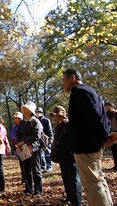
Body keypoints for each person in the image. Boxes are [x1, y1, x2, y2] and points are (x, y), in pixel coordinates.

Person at [62, 68, 113, 206]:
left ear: (72, 77)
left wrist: (105, 137)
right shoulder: (89, 91)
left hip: (85, 146)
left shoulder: (79, 93)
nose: (63, 84)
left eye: (64, 80)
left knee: (92, 183)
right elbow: (101, 116)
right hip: (91, 145)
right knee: (98, 179)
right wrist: (105, 136)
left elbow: (96, 117)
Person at [50, 105, 82, 206]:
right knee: (66, 177)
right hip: (62, 156)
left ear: (62, 116)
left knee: (74, 179)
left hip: (71, 156)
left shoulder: (69, 125)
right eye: (54, 116)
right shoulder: (57, 127)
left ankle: (76, 201)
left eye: (56, 116)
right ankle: (69, 196)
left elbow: (75, 140)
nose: (54, 118)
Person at [16, 101, 43, 196]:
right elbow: (17, 134)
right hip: (23, 149)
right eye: (23, 109)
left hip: (34, 148)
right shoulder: (22, 123)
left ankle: (38, 191)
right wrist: (19, 143)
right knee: (26, 169)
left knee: (36, 170)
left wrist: (24, 142)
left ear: (30, 110)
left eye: (26, 109)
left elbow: (36, 135)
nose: (24, 110)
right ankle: (28, 189)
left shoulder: (35, 121)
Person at [35, 107, 54, 173]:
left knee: (47, 153)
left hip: (46, 139)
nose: (37, 113)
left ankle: (49, 166)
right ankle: (43, 167)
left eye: (39, 112)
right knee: (41, 154)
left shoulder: (46, 120)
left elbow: (49, 130)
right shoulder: (35, 121)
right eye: (36, 112)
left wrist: (51, 138)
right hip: (39, 140)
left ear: (41, 113)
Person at [10, 111, 25, 184]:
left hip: (23, 145)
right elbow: (12, 135)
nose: (15, 119)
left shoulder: (23, 125)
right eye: (14, 118)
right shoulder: (15, 127)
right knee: (21, 162)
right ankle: (23, 179)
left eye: (16, 118)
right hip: (17, 145)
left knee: (25, 163)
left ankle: (26, 179)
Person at [104, 101, 117, 169]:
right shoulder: (105, 114)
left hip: (116, 132)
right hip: (111, 133)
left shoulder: (115, 113)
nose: (107, 107)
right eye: (106, 106)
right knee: (114, 149)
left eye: (108, 106)